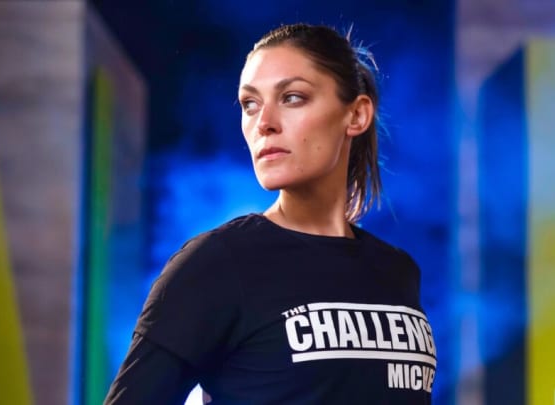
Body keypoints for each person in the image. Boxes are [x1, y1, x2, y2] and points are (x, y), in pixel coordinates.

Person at [104, 22, 437, 404]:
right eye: (250, 104)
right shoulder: (217, 264)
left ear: (357, 115)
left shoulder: (397, 272)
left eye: (292, 97)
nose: (264, 123)